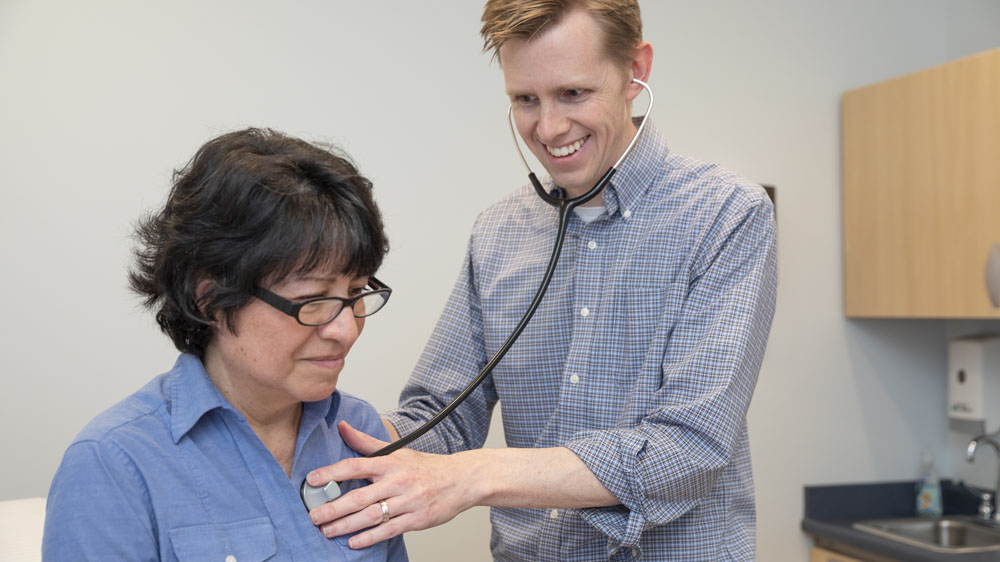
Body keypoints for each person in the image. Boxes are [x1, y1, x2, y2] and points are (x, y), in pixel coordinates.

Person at [307, 1, 777, 560]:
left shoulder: (726, 215)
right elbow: (439, 420)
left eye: (573, 93)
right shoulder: (498, 233)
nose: (549, 128)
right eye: (524, 99)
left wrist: (475, 475)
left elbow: (688, 450)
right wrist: (300, 428)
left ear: (636, 70)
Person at [42, 128, 408, 561]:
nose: (346, 330)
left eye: (357, 294)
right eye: (312, 301)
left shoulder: (357, 430)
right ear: (211, 297)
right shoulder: (114, 464)